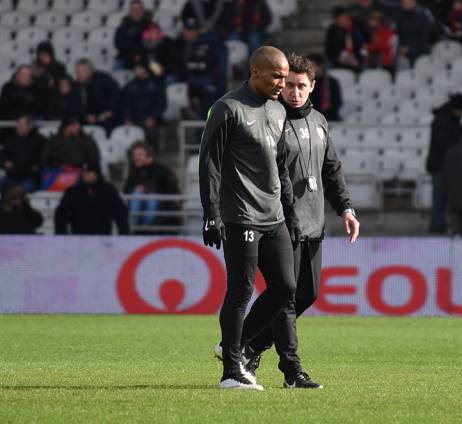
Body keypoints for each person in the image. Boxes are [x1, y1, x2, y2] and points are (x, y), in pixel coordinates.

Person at [229, 52, 359, 389]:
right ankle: (292, 371)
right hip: (283, 221)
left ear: (312, 87)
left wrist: (346, 208)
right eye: (289, 85)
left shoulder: (319, 122)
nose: (295, 92)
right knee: (284, 298)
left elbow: (331, 169)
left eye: (301, 86)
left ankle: (250, 345)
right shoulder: (271, 119)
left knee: (308, 295)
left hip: (315, 222)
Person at [199, 46, 297, 390]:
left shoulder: (279, 110)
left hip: (274, 215)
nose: (281, 84)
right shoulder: (228, 108)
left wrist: (291, 211)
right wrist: (211, 213)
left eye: (285, 78)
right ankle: (230, 373)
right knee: (241, 290)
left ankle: (234, 348)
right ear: (255, 71)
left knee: (286, 287)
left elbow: (281, 165)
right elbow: (208, 162)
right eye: (276, 76)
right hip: (241, 214)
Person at [426, 93, 462, 233]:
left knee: (442, 197)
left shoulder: (446, 119)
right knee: (439, 196)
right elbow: (444, 142)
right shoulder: (443, 121)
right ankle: (437, 225)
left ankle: (439, 224)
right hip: (440, 166)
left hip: (442, 165)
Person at [173, 18, 228, 119]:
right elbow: (175, 66)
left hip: (202, 81)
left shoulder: (206, 45)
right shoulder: (177, 44)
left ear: (198, 31)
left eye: (193, 30)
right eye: (188, 30)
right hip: (182, 80)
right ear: (183, 31)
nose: (190, 33)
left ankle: (199, 125)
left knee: (208, 92)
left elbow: (209, 67)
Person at [55, 162, 130, 235]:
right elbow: (61, 213)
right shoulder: (72, 191)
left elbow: (120, 213)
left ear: (96, 174)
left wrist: (124, 234)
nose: (85, 174)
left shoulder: (108, 191)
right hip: (78, 239)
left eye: (89, 172)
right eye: (84, 172)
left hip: (103, 239)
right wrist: (61, 235)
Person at [123, 141, 181, 228]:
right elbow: (126, 189)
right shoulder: (133, 171)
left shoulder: (160, 169)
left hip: (160, 204)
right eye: (134, 155)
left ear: (148, 155)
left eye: (140, 154)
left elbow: (167, 187)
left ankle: (146, 228)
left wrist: (150, 166)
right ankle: (134, 226)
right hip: (139, 203)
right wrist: (135, 189)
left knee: (151, 199)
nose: (136, 157)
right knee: (136, 194)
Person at [40, 117, 101, 192]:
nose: (77, 127)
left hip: (80, 172)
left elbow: (94, 159)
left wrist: (89, 171)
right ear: (66, 127)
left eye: (78, 125)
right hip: (57, 172)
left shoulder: (87, 140)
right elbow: (45, 159)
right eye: (73, 125)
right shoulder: (54, 141)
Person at [121, 61, 166, 147]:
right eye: (135, 69)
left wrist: (153, 117)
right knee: (127, 131)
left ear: (144, 69)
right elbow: (125, 105)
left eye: (138, 69)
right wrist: (127, 119)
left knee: (150, 130)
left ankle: (150, 151)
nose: (135, 71)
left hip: (151, 118)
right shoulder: (129, 86)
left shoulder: (156, 85)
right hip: (134, 118)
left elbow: (161, 104)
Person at [1, 114, 46, 193]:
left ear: (29, 126)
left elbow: (45, 157)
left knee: (20, 190)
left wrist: (38, 165)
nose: (18, 126)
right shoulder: (10, 140)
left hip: (30, 178)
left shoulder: (39, 141)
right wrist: (4, 162)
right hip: (11, 177)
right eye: (18, 124)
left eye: (21, 124)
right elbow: (1, 156)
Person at [75, 59, 120, 131]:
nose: (77, 73)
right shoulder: (77, 86)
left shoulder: (104, 79)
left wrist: (108, 111)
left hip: (105, 117)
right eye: (76, 71)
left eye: (79, 71)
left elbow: (116, 95)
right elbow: (76, 106)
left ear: (89, 71)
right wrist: (85, 116)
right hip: (86, 119)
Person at [395, 0, 441, 65]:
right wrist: (401, 46)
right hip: (402, 48)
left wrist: (409, 47)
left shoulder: (422, 17)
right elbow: (398, 35)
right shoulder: (400, 17)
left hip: (419, 49)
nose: (406, 5)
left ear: (415, 3)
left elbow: (425, 38)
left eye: (409, 3)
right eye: (404, 3)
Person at [325, 6, 367, 72]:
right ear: (336, 19)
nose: (344, 21)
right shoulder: (332, 30)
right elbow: (330, 50)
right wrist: (339, 58)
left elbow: (360, 46)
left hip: (354, 60)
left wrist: (356, 58)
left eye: (345, 18)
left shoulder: (354, 29)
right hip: (337, 61)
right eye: (341, 19)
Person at [115, 0, 152, 69]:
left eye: (138, 9)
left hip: (146, 58)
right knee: (116, 70)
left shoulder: (151, 26)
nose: (136, 12)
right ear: (130, 11)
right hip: (125, 58)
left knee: (158, 71)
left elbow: (151, 43)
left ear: (143, 11)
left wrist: (131, 41)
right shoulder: (122, 27)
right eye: (133, 10)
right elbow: (118, 43)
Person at [307, 53, 343, 122]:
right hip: (311, 119)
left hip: (330, 118)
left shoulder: (332, 83)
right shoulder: (307, 83)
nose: (308, 70)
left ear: (320, 66)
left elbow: (337, 103)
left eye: (311, 66)